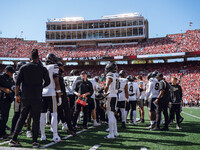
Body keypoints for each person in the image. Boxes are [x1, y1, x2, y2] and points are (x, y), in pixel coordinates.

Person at [9, 49, 50, 148]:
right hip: (37, 96)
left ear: (30, 58)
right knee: (36, 119)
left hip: (25, 96)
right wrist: (41, 87)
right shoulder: (42, 68)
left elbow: (17, 83)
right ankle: (35, 141)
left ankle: (14, 139)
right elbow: (48, 82)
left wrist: (17, 95)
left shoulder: (23, 67)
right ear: (38, 58)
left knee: (22, 117)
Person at [40, 53, 62, 142]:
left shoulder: (41, 67)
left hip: (42, 92)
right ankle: (55, 135)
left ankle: (43, 135)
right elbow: (56, 80)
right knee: (54, 114)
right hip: (51, 92)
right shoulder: (54, 66)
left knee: (42, 115)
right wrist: (59, 94)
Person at [56, 62, 76, 135]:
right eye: (61, 68)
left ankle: (66, 125)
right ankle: (66, 127)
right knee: (59, 112)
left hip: (61, 95)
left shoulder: (59, 76)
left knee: (63, 111)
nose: (63, 69)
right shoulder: (57, 76)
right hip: (59, 95)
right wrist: (60, 96)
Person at [104, 62, 119, 139]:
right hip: (115, 95)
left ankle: (111, 134)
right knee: (112, 115)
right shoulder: (116, 75)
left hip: (110, 96)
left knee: (110, 115)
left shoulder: (110, 75)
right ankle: (115, 132)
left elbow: (107, 84)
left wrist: (104, 92)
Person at [0, 66, 15, 140]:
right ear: (6, 71)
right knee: (3, 117)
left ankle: (3, 132)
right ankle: (1, 134)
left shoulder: (10, 78)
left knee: (5, 117)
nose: (12, 74)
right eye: (11, 72)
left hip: (8, 99)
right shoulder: (1, 77)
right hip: (2, 98)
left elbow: (11, 87)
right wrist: (3, 89)